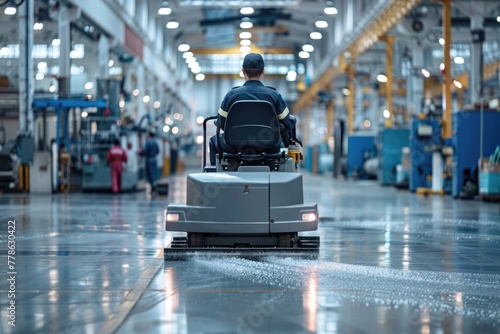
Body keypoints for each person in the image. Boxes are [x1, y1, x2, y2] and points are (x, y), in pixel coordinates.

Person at [209, 53, 296, 165]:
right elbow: (288, 123)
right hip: (269, 146)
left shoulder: (231, 95)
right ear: (263, 71)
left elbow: (221, 123)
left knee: (213, 141)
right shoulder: (274, 96)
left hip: (235, 146)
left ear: (243, 70)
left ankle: (214, 174)